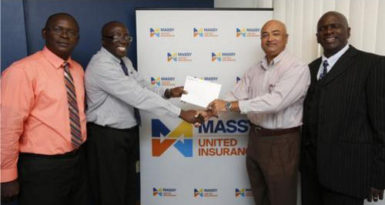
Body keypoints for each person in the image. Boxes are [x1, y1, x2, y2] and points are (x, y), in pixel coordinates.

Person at [85, 21, 201, 205]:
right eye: (117, 36)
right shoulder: (101, 66)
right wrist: (180, 113)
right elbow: (138, 96)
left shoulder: (124, 62)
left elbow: (142, 86)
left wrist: (168, 93)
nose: (123, 40)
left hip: (126, 135)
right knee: (111, 193)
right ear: (104, 40)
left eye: (126, 36)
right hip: (107, 138)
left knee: (129, 189)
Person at [207, 20, 310, 205]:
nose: (270, 39)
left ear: (286, 39)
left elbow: (275, 102)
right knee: (260, 197)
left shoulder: (297, 68)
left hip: (282, 143)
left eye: (276, 33)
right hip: (255, 139)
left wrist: (229, 106)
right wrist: (209, 111)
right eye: (264, 35)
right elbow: (234, 95)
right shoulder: (254, 69)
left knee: (281, 199)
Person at [1, 13, 87, 205]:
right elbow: (7, 127)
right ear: (44, 33)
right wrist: (6, 175)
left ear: (77, 39)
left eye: (71, 32)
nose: (65, 35)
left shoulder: (78, 70)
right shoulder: (21, 71)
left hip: (77, 162)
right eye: (58, 29)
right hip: (41, 168)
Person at [301, 11, 385, 205]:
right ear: (317, 37)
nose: (328, 31)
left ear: (348, 31)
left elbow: (382, 126)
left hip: (348, 176)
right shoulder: (309, 69)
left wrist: (379, 176)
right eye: (322, 29)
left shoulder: (372, 65)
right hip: (311, 177)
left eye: (335, 26)